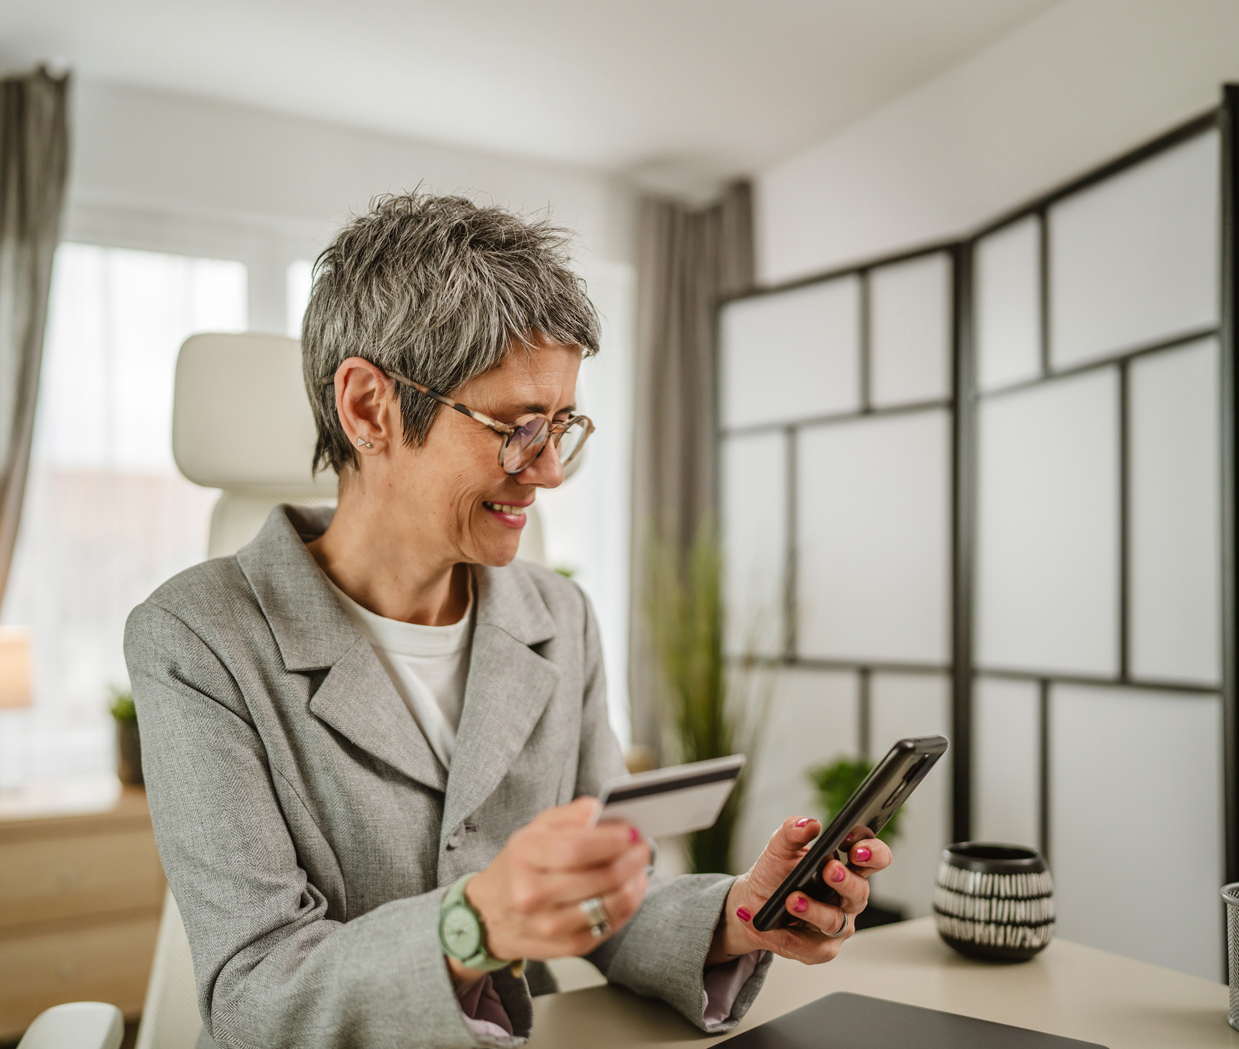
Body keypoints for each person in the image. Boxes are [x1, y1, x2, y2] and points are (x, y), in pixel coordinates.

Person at [125, 194, 892, 1049]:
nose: (551, 472)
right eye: (519, 428)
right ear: (369, 408)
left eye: (562, 427)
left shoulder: (559, 617)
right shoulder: (199, 640)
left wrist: (740, 914)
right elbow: (253, 990)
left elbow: (606, 894)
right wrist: (475, 924)